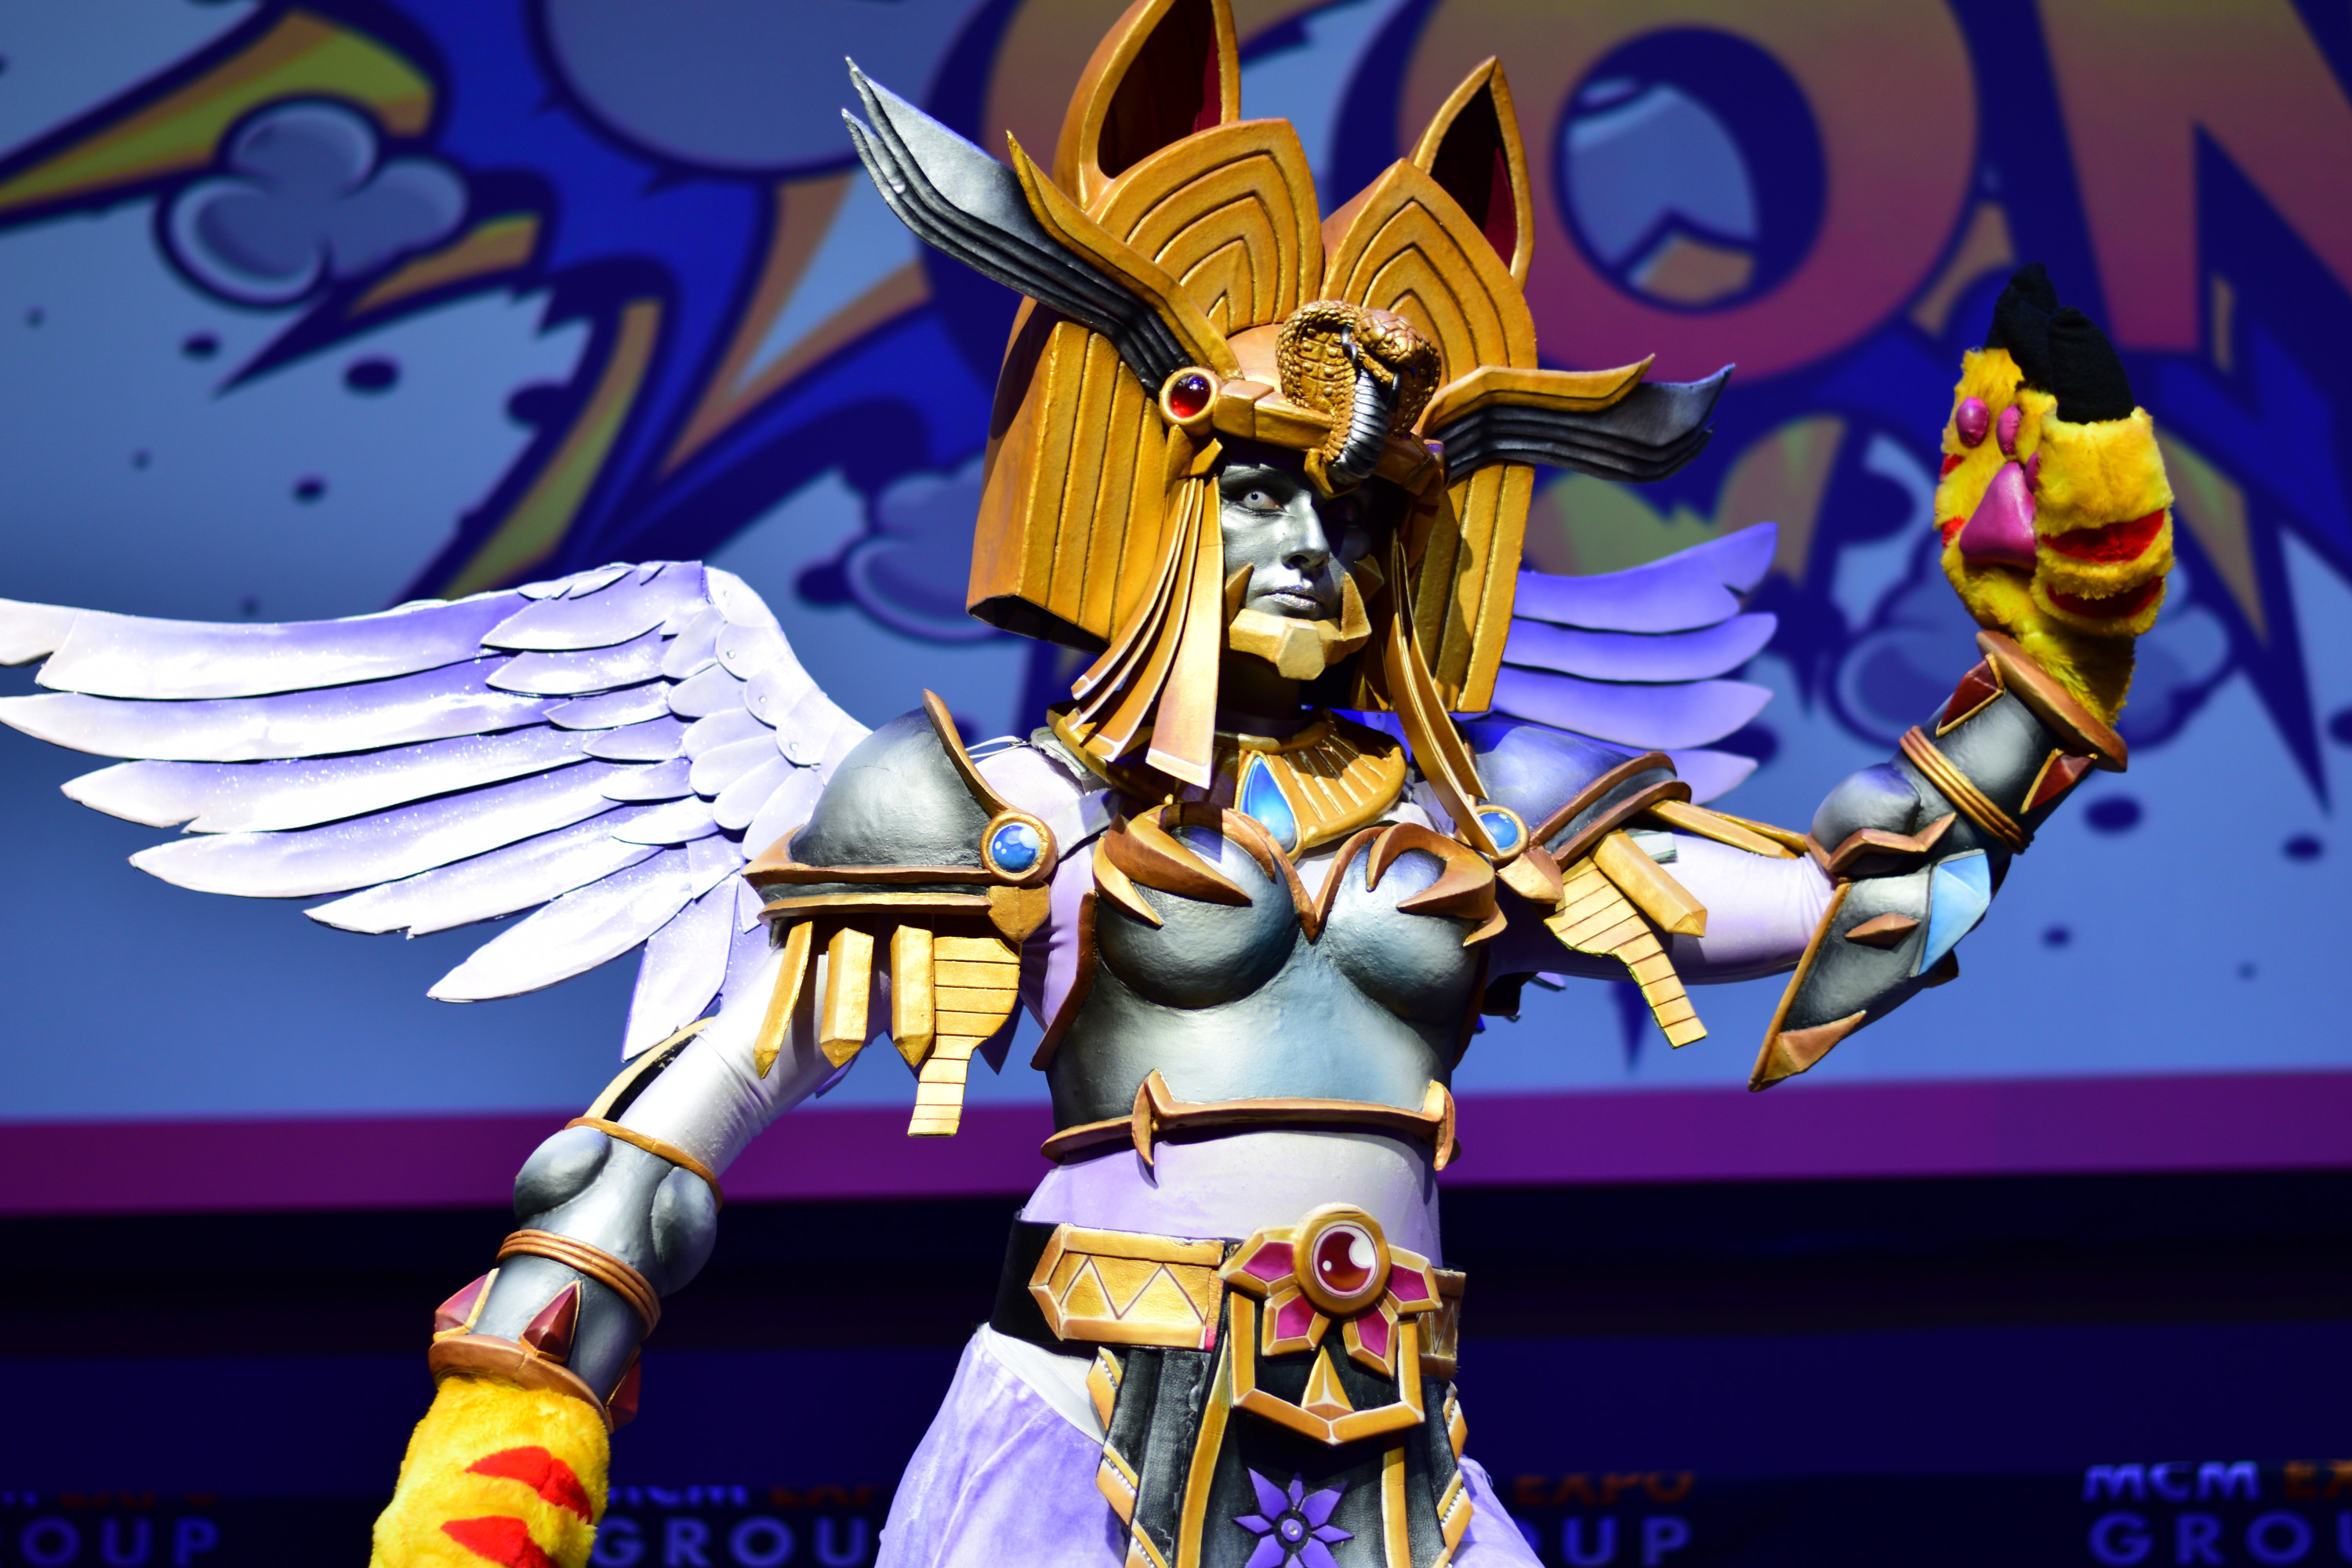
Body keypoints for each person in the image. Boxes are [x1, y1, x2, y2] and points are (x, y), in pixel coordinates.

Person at [0, 1, 2173, 1563]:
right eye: (1267, 493)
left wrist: (2064, 638)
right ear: (1162, 497)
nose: (1316, 546)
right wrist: (508, 1449)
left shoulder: (1484, 827)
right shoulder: (1008, 819)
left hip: (1399, 1473)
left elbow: (1883, 896)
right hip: (1081, 1449)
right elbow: (668, 1128)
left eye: (1362, 505)